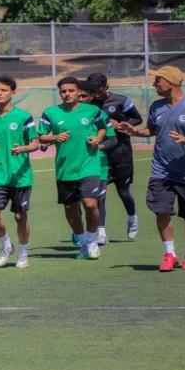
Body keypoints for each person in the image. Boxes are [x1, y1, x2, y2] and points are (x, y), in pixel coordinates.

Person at [115, 66, 185, 271]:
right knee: (161, 211)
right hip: (161, 171)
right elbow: (151, 131)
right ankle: (169, 254)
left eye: (157, 80)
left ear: (170, 82)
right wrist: (134, 131)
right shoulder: (156, 106)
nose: (154, 85)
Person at [38, 77, 109, 260]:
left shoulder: (92, 110)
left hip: (89, 165)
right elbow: (41, 137)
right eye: (63, 91)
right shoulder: (51, 112)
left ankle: (92, 240)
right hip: (65, 168)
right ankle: (83, 241)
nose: (67, 94)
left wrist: (98, 138)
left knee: (90, 203)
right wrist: (55, 137)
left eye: (71, 90)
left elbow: (103, 128)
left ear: (78, 92)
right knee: (70, 208)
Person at [0, 76, 40, 268]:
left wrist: (23, 148)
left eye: (3, 90)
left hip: (20, 176)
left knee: (20, 217)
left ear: (13, 93)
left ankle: (23, 252)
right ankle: (6, 245)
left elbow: (35, 143)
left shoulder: (23, 117)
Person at [87, 73, 142, 242]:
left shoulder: (121, 100)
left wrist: (124, 125)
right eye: (93, 91)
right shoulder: (89, 104)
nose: (96, 95)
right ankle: (101, 233)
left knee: (123, 192)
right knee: (100, 194)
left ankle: (132, 218)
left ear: (106, 86)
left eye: (99, 90)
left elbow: (137, 118)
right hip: (100, 154)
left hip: (121, 152)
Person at [78, 80, 117, 247]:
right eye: (78, 95)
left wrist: (98, 145)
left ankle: (101, 233)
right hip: (72, 166)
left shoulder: (98, 114)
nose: (80, 99)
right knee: (75, 201)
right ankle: (79, 231)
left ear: (92, 96)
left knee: (97, 200)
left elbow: (112, 140)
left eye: (84, 96)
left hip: (98, 165)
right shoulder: (66, 114)